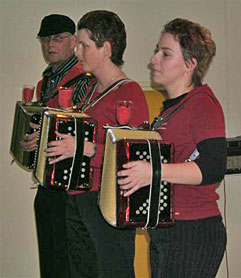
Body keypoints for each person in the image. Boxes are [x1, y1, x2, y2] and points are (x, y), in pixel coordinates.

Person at [117, 18, 227, 278]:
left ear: (190, 64)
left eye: (165, 54)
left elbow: (212, 167)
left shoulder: (202, 105)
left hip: (193, 230)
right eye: (157, 51)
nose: (154, 59)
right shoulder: (172, 108)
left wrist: (153, 172)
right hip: (170, 229)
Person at [44, 10, 149, 277]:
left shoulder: (129, 92)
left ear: (106, 49)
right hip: (79, 200)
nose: (77, 52)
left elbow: (135, 157)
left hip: (107, 205)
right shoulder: (90, 91)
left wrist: (83, 149)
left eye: (84, 45)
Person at [20, 14, 91, 278]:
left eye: (58, 38)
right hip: (47, 183)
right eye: (45, 39)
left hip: (71, 188)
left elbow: (83, 128)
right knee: (51, 263)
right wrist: (31, 142)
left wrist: (46, 136)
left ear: (73, 41)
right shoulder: (45, 81)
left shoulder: (84, 78)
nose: (50, 44)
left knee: (70, 264)